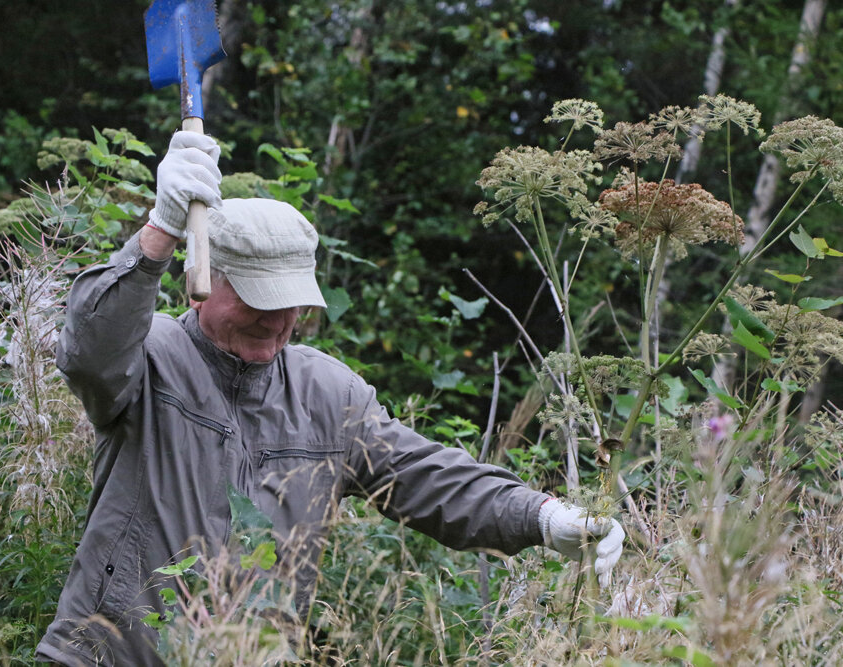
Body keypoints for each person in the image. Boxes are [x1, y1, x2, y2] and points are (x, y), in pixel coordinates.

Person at [35, 132, 625, 666]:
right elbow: (90, 348)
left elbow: (426, 478)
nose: (280, 320)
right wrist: (160, 232)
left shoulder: (326, 392)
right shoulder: (151, 355)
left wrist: (544, 517)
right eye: (260, 300)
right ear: (203, 279)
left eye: (292, 302)